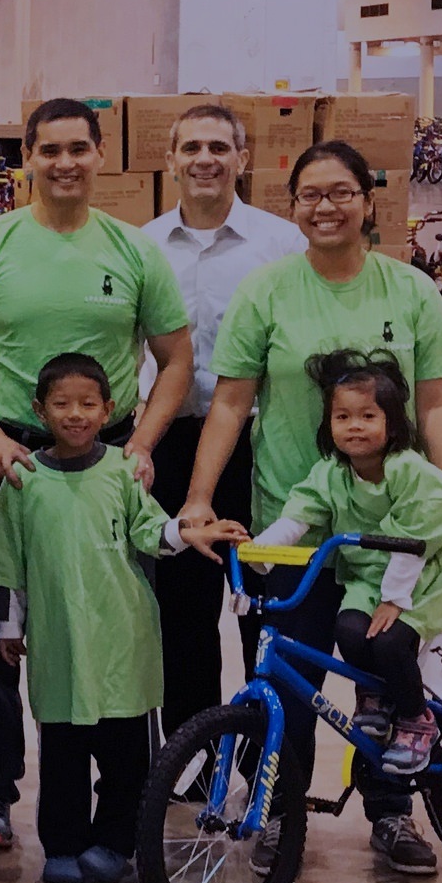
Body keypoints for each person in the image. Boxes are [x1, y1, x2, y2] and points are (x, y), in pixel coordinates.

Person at [180, 140, 442, 874]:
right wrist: (200, 497)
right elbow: (231, 403)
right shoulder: (267, 291)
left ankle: (393, 812)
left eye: (341, 192)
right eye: (310, 195)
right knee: (285, 679)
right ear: (293, 205)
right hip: (294, 519)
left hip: (389, 525)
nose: (326, 207)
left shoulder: (409, 291)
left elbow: (434, 402)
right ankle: (280, 816)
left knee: (383, 674)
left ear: (368, 201)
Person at [0, 97, 196, 852]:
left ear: (99, 155)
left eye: (79, 149)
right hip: (8, 463)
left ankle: (125, 796)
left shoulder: (134, 250)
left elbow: (176, 358)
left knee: (111, 626)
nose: (65, 163)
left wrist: (141, 446)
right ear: (28, 156)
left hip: (105, 467)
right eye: (49, 150)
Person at [0, 353, 243, 883]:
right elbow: (10, 564)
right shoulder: (24, 481)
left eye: (88, 404)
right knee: (63, 754)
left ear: (109, 409)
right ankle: (65, 842)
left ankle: (116, 841)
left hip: (123, 641)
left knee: (125, 756)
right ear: (39, 410)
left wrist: (187, 534)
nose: (75, 415)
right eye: (62, 404)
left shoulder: (123, 471)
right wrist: (10, 628)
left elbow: (152, 533)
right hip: (59, 645)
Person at [143, 104, 308, 733]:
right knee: (181, 612)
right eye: (191, 148)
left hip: (265, 445)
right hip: (177, 443)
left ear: (243, 159)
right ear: (172, 159)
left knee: (265, 609)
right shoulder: (145, 245)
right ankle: (195, 753)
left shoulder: (282, 244)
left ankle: (266, 760)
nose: (204, 159)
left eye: (219, 147)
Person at [245, 350, 442, 776]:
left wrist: (395, 600)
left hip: (420, 578)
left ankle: (417, 719)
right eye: (343, 418)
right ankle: (377, 696)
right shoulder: (332, 473)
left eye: (368, 416)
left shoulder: (409, 472)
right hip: (369, 575)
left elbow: (412, 540)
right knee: (348, 629)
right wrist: (261, 549)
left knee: (389, 640)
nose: (355, 427)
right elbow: (299, 513)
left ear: (392, 423)